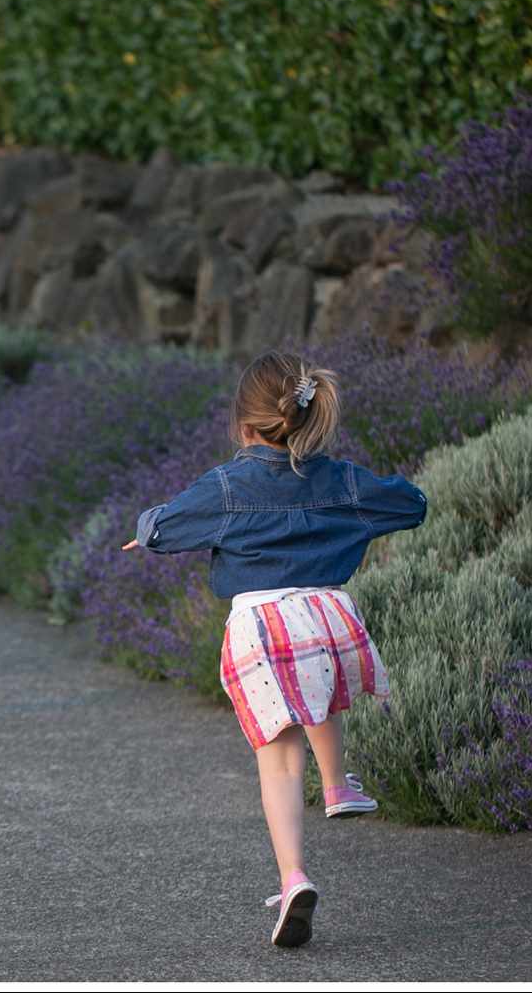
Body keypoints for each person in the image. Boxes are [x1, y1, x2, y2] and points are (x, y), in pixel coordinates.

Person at [122, 351, 427, 947]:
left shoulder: (227, 485)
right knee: (322, 688)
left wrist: (143, 528)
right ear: (311, 418)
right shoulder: (342, 479)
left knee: (280, 761)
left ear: (243, 427)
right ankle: (338, 785)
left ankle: (293, 878)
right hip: (326, 613)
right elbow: (412, 504)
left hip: (260, 625)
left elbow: (161, 531)